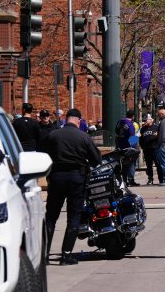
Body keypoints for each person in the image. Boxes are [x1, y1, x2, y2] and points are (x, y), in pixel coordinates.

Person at [41, 108, 101, 265]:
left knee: (51, 217)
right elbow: (96, 160)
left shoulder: (53, 135)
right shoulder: (84, 137)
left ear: (66, 119)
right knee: (73, 217)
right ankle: (66, 255)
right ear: (79, 121)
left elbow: (41, 154)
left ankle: (44, 255)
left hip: (56, 177)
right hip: (77, 178)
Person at [115, 109, 139, 186]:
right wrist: (137, 139)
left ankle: (124, 180)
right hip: (128, 147)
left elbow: (116, 132)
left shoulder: (119, 122)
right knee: (131, 163)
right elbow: (132, 138)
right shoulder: (130, 124)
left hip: (120, 146)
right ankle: (130, 180)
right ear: (133, 116)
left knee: (123, 165)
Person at [139, 113, 160, 185]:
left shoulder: (156, 127)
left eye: (146, 120)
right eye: (144, 120)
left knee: (158, 164)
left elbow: (161, 137)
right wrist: (142, 146)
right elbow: (140, 138)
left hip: (155, 149)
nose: (145, 122)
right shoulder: (142, 129)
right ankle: (150, 179)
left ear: (151, 120)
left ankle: (161, 179)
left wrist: (157, 136)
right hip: (146, 149)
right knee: (149, 165)